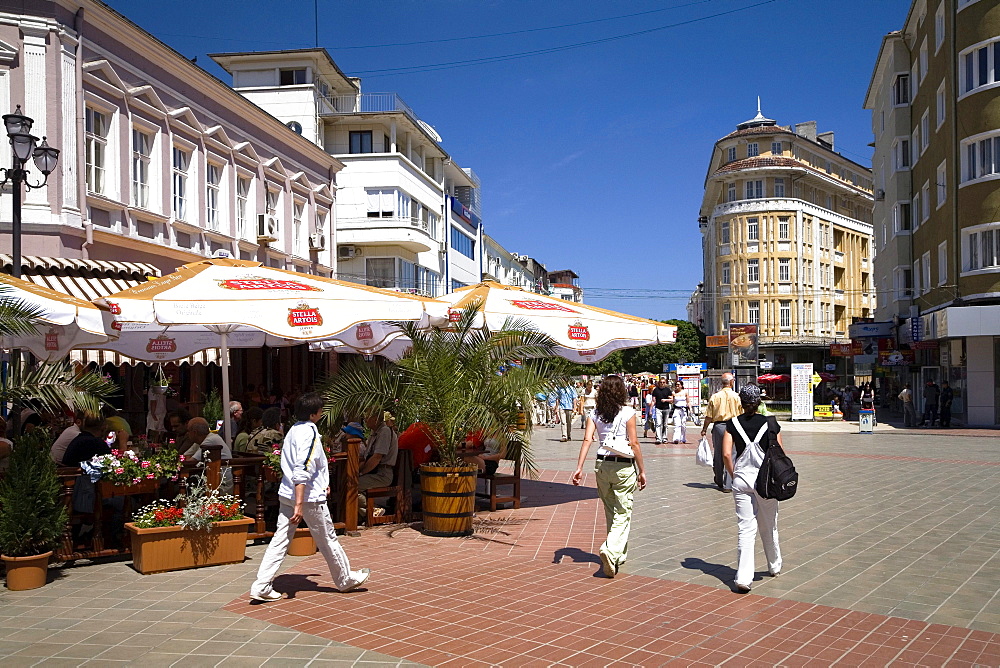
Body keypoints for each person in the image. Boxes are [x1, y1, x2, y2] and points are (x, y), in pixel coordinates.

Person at [250, 392, 370, 601]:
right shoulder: (309, 433)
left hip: (291, 494)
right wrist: (300, 503)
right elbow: (303, 468)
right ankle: (345, 579)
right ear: (315, 414)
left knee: (280, 539)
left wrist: (322, 484)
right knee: (327, 539)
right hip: (306, 498)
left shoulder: (293, 431)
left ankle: (261, 585)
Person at [571, 375, 646, 578]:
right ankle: (610, 549)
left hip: (602, 464)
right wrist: (642, 470)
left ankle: (618, 555)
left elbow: (587, 440)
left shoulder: (595, 413)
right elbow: (634, 443)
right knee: (623, 511)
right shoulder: (628, 412)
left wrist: (578, 467)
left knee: (610, 509)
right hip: (623, 467)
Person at [721, 384, 782, 593]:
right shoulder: (771, 424)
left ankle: (744, 577)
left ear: (741, 402)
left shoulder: (733, 423)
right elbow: (779, 453)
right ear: (759, 402)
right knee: (769, 523)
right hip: (765, 481)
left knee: (745, 528)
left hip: (741, 480)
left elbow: (727, 454)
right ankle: (774, 565)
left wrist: (734, 475)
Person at [700, 373, 742, 492]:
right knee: (731, 454)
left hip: (719, 427)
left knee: (718, 454)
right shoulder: (737, 397)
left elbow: (709, 416)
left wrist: (704, 429)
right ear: (732, 382)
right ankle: (728, 483)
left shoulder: (715, 397)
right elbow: (742, 413)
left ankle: (719, 479)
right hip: (734, 426)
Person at [358, 411, 398, 521]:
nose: (365, 420)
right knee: (347, 483)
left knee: (354, 485)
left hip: (382, 474)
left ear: (376, 418)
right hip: (374, 472)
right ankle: (367, 512)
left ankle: (372, 509)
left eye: (367, 417)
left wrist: (361, 473)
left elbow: (377, 458)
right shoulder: (374, 432)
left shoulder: (384, 431)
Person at [185, 417, 233, 494]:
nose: (187, 434)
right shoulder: (200, 441)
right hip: (212, 480)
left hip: (222, 485)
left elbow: (189, 463)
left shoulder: (211, 440)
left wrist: (187, 458)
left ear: (194, 432)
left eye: (188, 431)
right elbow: (184, 457)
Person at [650, 377, 674, 444]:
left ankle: (664, 438)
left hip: (666, 408)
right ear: (658, 383)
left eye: (663, 382)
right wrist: (651, 410)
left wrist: (666, 400)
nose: (662, 384)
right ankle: (658, 438)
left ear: (665, 383)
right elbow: (653, 400)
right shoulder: (656, 390)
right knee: (658, 423)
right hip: (658, 408)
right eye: (661, 382)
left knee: (665, 424)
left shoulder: (668, 390)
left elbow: (672, 400)